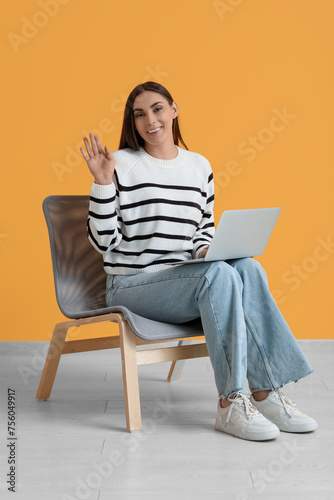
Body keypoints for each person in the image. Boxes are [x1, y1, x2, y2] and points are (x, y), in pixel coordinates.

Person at [80, 81, 317, 441]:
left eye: (157, 108)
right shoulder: (120, 164)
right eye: (139, 114)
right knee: (218, 277)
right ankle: (230, 403)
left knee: (248, 267)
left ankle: (266, 393)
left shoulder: (198, 166)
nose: (150, 120)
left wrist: (206, 250)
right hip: (132, 284)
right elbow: (103, 243)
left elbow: (202, 229)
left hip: (184, 279)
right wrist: (101, 183)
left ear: (174, 110)